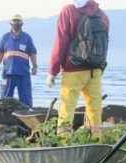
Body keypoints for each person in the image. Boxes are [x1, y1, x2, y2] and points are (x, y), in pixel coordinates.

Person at [47, 0, 110, 139]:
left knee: (67, 108)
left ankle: (64, 142)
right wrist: (100, 67)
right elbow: (104, 44)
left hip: (73, 69)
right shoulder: (102, 15)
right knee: (95, 109)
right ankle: (96, 140)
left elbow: (61, 41)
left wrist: (53, 70)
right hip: (95, 70)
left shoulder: (68, 11)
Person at [0, 14, 38, 107]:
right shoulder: (5, 37)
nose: (16, 23)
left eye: (18, 21)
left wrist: (35, 66)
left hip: (23, 73)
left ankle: (27, 116)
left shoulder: (27, 38)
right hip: (7, 73)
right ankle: (4, 116)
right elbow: (0, 53)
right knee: (5, 98)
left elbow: (32, 53)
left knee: (26, 98)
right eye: (14, 21)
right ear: (10, 23)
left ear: (22, 23)